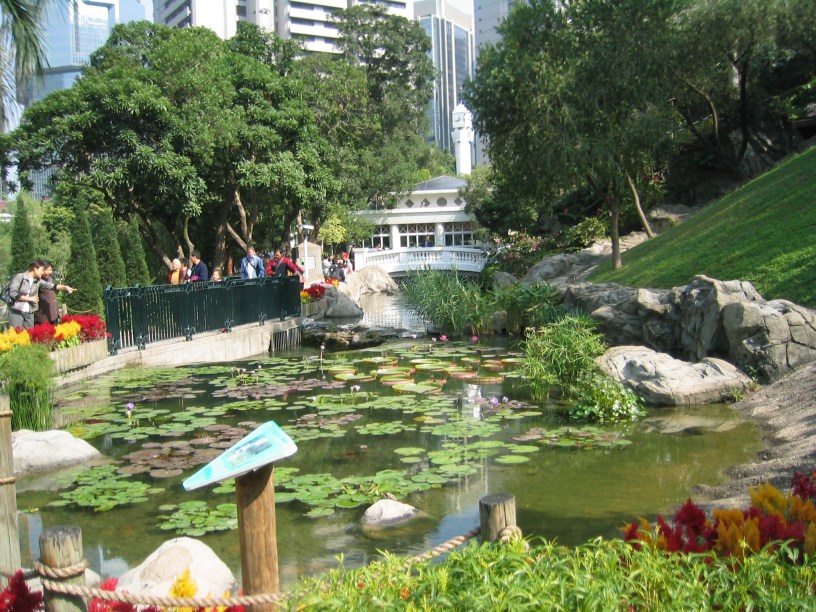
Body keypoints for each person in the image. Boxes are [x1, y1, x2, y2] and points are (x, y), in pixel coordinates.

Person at [8, 260, 75, 329]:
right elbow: (13, 293)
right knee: (16, 332)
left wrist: (65, 287)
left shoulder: (38, 280)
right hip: (17, 310)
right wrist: (29, 299)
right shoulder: (20, 276)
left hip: (30, 311)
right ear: (35, 268)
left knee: (29, 333)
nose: (43, 272)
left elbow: (51, 286)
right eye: (42, 270)